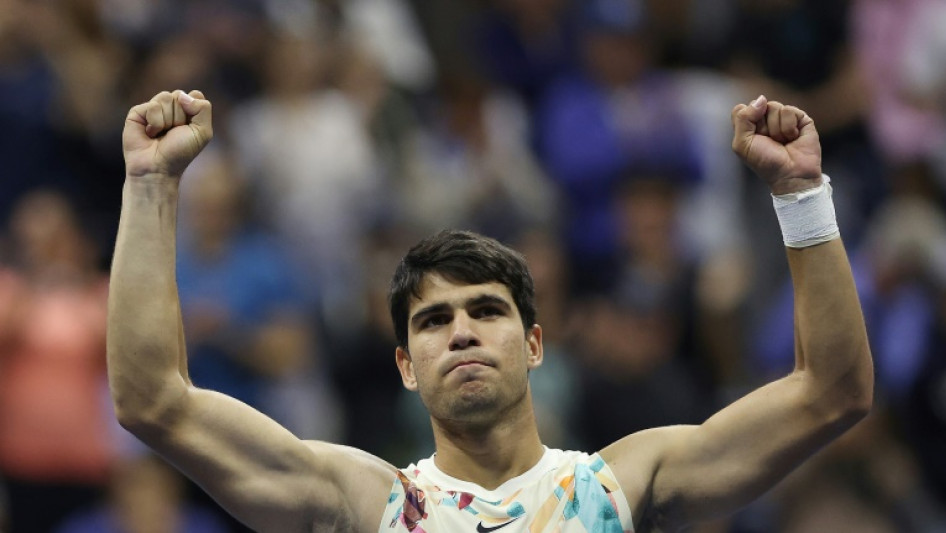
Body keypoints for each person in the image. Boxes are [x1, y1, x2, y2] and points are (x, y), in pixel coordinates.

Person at [108, 90, 873, 532]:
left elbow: (829, 392)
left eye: (484, 310)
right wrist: (150, 184)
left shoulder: (618, 486)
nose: (462, 330)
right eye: (432, 321)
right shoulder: (367, 502)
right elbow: (154, 400)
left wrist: (801, 196)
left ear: (536, 342)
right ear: (405, 365)